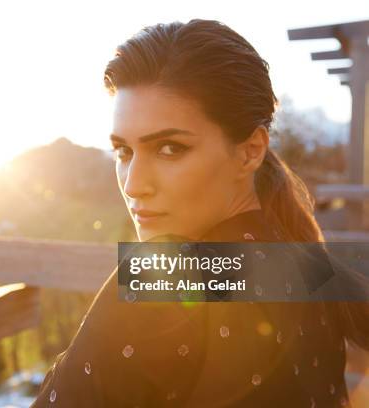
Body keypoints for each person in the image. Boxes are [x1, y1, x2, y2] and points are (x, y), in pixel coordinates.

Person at [30, 19, 368, 407]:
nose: (133, 183)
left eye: (170, 148)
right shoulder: (312, 265)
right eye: (123, 151)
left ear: (250, 150)